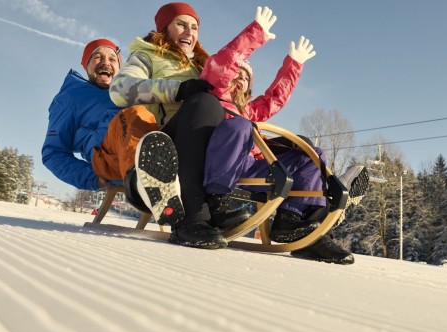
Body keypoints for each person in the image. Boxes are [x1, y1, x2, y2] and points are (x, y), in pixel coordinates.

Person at [199, 7, 366, 264]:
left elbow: (274, 99)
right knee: (241, 126)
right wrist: (254, 34)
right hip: (219, 162)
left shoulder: (250, 110)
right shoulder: (215, 96)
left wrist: (294, 65)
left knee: (309, 155)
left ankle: (296, 222)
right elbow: (222, 65)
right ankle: (217, 205)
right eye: (237, 74)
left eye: (246, 78)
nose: (240, 79)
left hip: (250, 165)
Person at [109, 2, 249, 249]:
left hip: (206, 137)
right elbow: (120, 89)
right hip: (168, 140)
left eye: (194, 27)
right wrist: (178, 88)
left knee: (237, 124)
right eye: (181, 24)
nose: (189, 32)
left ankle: (217, 205)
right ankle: (191, 217)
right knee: (204, 103)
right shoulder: (148, 54)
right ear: (164, 28)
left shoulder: (203, 65)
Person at [42, 39, 125, 192]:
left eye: (112, 59)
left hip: (151, 143)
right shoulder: (71, 98)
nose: (106, 63)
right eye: (98, 57)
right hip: (113, 158)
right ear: (86, 65)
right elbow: (53, 152)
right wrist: (93, 179)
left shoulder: (130, 94)